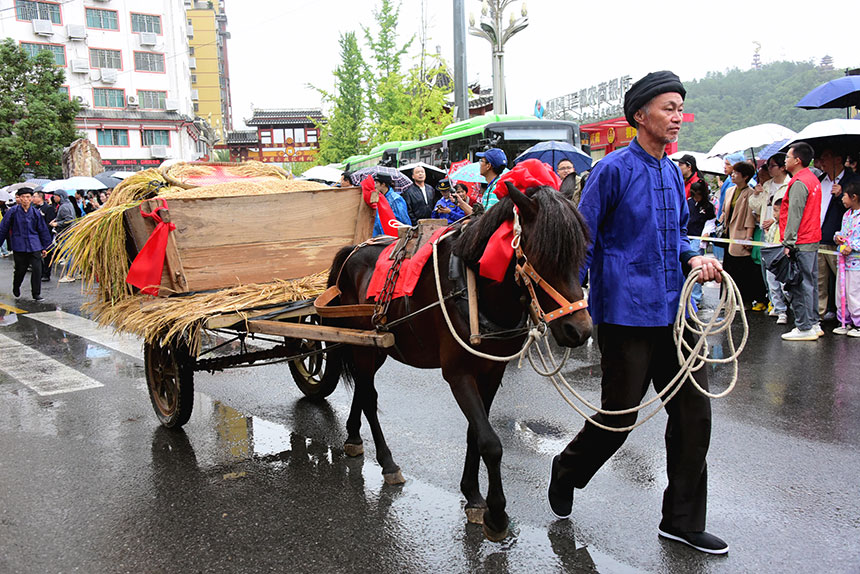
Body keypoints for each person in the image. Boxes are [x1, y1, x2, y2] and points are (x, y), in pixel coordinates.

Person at [546, 70, 728, 555]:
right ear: (640, 115)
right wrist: (570, 296)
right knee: (619, 417)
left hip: (677, 311)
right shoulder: (612, 170)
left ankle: (681, 521)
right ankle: (566, 468)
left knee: (694, 414)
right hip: (627, 313)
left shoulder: (673, 172)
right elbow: (582, 239)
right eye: (669, 108)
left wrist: (695, 254)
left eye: (679, 108)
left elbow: (677, 236)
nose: (677, 117)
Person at [779, 142, 823, 341]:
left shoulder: (799, 182)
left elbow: (794, 214)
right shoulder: (813, 179)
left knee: (800, 283)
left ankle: (804, 326)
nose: (785, 160)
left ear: (797, 160)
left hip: (801, 239)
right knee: (810, 282)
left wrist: (788, 242)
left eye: (788, 157)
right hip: (812, 237)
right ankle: (813, 323)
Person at [720, 161, 767, 309]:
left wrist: (749, 236)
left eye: (736, 173)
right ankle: (728, 299)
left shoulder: (750, 193)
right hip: (728, 233)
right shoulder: (729, 191)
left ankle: (744, 300)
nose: (733, 175)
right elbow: (724, 211)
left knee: (742, 269)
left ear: (745, 176)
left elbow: (749, 218)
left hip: (741, 233)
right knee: (728, 267)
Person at [816, 147, 856, 322]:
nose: (822, 161)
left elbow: (854, 209)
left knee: (844, 281)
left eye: (826, 157)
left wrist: (840, 196)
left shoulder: (852, 180)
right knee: (819, 280)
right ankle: (819, 315)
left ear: (838, 159)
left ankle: (847, 318)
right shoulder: (821, 180)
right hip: (820, 236)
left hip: (842, 240)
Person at [0, 187, 52, 301]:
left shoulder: (36, 213)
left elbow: (42, 230)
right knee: (20, 270)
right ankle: (16, 285)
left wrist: (45, 247)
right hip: (19, 245)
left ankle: (36, 293)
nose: (26, 199)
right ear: (19, 198)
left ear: (31, 199)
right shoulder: (12, 212)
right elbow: (3, 228)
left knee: (37, 269)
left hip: (35, 245)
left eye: (28, 197)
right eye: (23, 197)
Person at [760, 153, 791, 324]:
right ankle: (778, 307)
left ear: (782, 167)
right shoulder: (766, 185)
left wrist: (776, 218)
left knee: (784, 280)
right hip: (768, 235)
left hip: (783, 238)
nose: (769, 169)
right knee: (770, 277)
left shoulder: (790, 185)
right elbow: (758, 207)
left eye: (772, 165)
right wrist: (757, 195)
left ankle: (789, 308)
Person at [833, 180, 860, 336]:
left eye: (844, 195)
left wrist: (853, 246)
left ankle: (858, 323)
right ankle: (844, 321)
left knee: (854, 292)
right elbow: (843, 232)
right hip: (843, 261)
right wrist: (839, 238)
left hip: (856, 262)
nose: (842, 199)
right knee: (841, 291)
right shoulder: (847, 215)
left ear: (854, 197)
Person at [687, 180, 716, 306]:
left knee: (696, 267)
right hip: (685, 236)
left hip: (698, 238)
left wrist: (706, 233)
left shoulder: (708, 206)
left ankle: (696, 297)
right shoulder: (687, 203)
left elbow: (711, 222)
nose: (696, 197)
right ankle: (686, 294)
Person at [50, 189, 79, 283]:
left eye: (55, 196)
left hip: (66, 233)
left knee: (68, 254)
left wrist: (57, 224)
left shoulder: (64, 207)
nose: (54, 198)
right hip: (70, 232)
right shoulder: (68, 204)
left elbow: (68, 220)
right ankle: (76, 273)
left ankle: (69, 274)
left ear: (60, 197)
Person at [370, 173, 409, 237]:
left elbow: (404, 220)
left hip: (393, 237)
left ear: (383, 184)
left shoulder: (396, 199)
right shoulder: (380, 197)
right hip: (380, 237)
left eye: (376, 183)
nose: (375, 185)